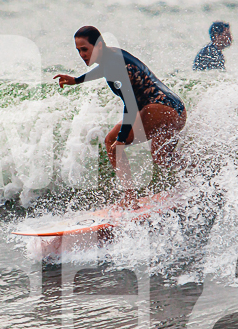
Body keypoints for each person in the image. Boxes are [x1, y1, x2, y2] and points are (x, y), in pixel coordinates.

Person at [53, 26, 186, 204]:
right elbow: (103, 70)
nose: (82, 55)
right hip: (176, 109)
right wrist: (77, 80)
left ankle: (130, 198)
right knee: (161, 157)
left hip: (161, 108)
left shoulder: (114, 65)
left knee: (112, 142)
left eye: (85, 49)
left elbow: (130, 103)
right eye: (78, 51)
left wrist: (122, 139)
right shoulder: (112, 55)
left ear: (99, 45)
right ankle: (197, 174)